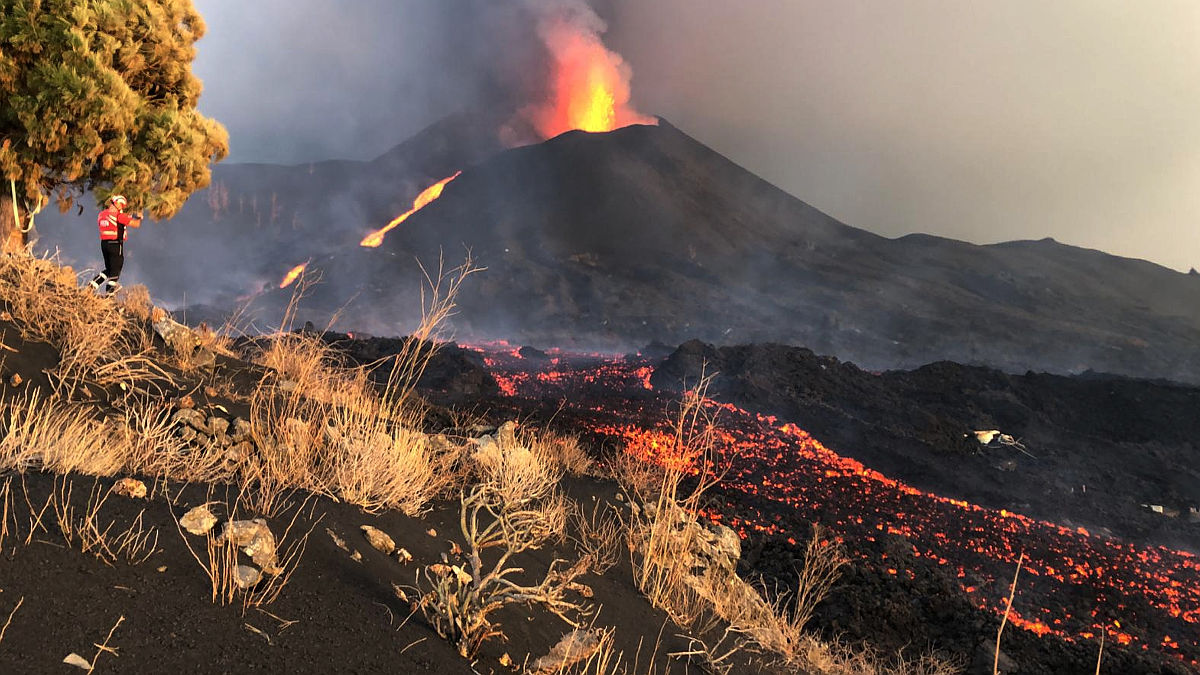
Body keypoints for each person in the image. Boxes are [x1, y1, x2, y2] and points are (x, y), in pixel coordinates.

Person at [89, 194, 142, 294]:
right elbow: (136, 224)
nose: (122, 207)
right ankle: (109, 294)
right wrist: (139, 217)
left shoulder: (101, 214)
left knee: (109, 269)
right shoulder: (118, 216)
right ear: (117, 203)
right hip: (115, 244)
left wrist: (130, 216)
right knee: (115, 271)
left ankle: (92, 285)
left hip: (104, 244)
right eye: (121, 205)